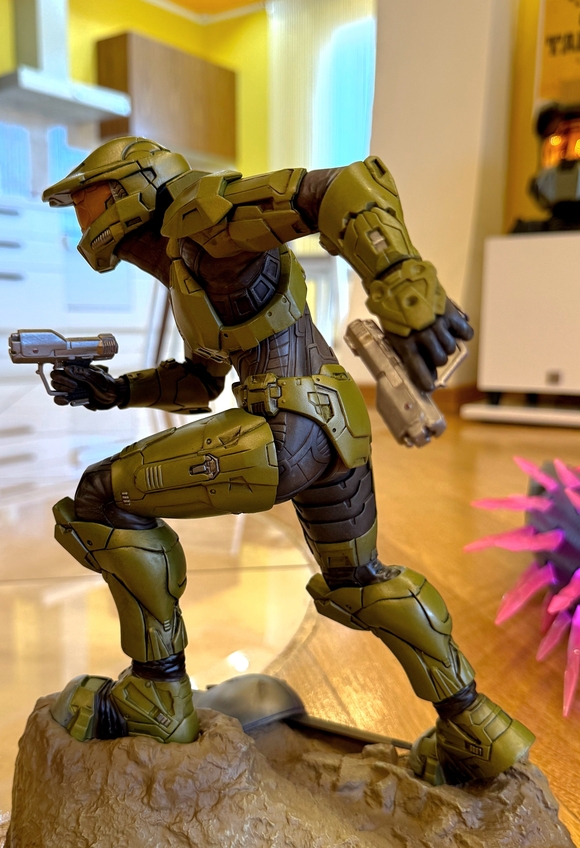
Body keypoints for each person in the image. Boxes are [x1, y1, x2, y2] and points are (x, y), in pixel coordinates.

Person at [41, 137, 533, 785]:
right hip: (334, 425)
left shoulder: (203, 218)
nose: (84, 217)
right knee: (358, 584)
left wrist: (406, 292)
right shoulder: (190, 264)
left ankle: (157, 693)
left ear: (133, 191)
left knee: (100, 500)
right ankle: (475, 727)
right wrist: (115, 391)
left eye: (91, 200)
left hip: (288, 428)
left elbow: (341, 189)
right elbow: (199, 380)